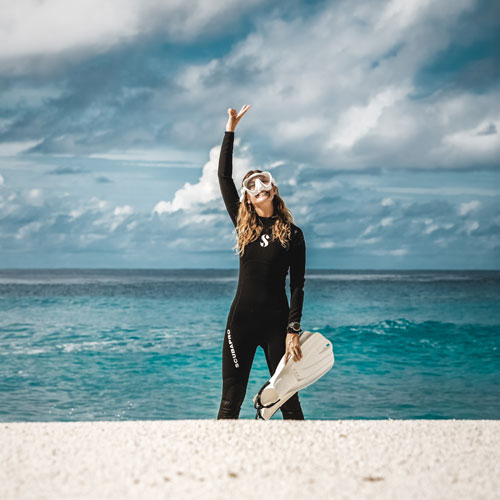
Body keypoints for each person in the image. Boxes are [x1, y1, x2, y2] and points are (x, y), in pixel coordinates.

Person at [217, 104, 306, 420]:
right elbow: (224, 176)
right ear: (248, 198)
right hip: (240, 322)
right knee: (231, 398)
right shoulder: (244, 226)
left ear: (274, 188)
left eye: (262, 180)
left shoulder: (293, 234)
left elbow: (297, 285)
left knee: (288, 399)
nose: (258, 186)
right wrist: (231, 129)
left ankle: (306, 462)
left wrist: (293, 329)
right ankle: (218, 461)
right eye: (251, 185)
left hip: (276, 325)